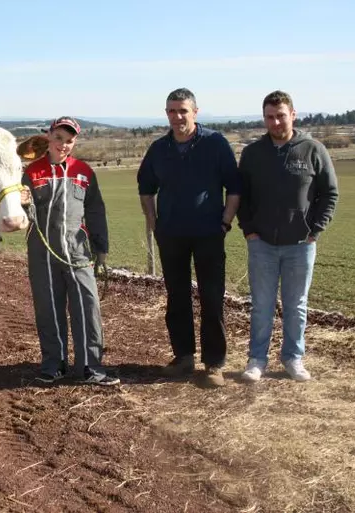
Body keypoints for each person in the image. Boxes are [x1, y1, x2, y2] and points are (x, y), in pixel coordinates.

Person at [137, 88, 241, 387]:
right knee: (176, 297)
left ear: (195, 112)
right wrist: (154, 222)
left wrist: (225, 222)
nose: (177, 116)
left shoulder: (215, 143)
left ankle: (214, 364)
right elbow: (146, 187)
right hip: (171, 235)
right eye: (171, 111)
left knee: (212, 298)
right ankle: (183, 357)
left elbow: (234, 186)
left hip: (209, 233)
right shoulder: (159, 148)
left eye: (183, 110)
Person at [237, 90, 338, 382]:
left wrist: (315, 230)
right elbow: (242, 196)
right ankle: (257, 360)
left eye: (281, 115)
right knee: (261, 306)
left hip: (300, 245)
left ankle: (293, 358)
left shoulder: (313, 149)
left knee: (296, 306)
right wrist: (250, 230)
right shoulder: (253, 153)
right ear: (264, 119)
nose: (276, 122)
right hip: (262, 244)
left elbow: (329, 193)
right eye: (270, 117)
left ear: (293, 115)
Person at [22, 116, 120, 386]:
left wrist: (101, 249)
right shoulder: (31, 173)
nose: (63, 145)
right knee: (49, 308)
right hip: (42, 254)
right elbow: (21, 215)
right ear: (48, 137)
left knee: (87, 307)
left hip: (78, 253)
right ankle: (54, 365)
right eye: (58, 139)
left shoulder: (84, 171)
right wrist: (22, 203)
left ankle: (91, 367)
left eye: (69, 141)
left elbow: (96, 211)